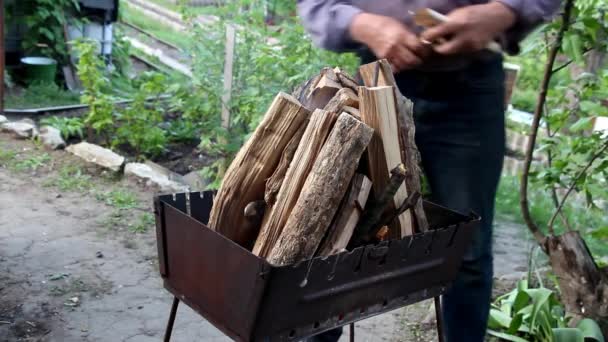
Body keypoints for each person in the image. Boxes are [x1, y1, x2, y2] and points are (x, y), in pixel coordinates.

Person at [297, 1, 561, 341]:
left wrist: (505, 11)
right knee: (338, 238)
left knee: (468, 251)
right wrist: (361, 23)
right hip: (377, 81)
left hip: (469, 90)